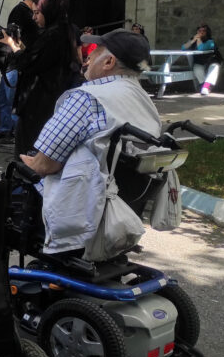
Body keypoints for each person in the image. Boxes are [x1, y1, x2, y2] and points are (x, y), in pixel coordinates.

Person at [20, 29, 160, 254]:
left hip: (78, 212)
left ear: (109, 62)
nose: (87, 57)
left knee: (15, 180)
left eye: (95, 51)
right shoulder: (144, 100)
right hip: (122, 206)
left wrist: (29, 163)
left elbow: (45, 165)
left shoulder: (87, 97)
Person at [12, 0, 82, 157]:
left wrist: (13, 47)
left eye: (37, 13)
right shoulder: (64, 32)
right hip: (50, 101)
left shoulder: (53, 35)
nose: (34, 18)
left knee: (30, 150)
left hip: (40, 104)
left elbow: (29, 63)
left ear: (49, 12)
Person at [182, 23, 223, 96]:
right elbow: (183, 48)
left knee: (214, 68)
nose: (201, 32)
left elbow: (201, 48)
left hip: (211, 61)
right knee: (197, 69)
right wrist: (193, 40)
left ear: (207, 32)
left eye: (203, 31)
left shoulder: (210, 42)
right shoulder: (194, 39)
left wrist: (198, 39)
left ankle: (205, 86)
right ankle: (204, 86)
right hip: (200, 61)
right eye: (199, 31)